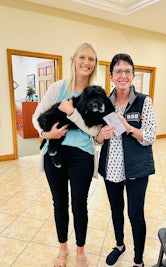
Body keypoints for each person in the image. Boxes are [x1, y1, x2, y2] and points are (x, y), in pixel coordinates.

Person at [32, 43, 101, 267]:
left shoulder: (95, 92)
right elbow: (37, 116)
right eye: (82, 57)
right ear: (73, 60)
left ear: (95, 64)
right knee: (59, 204)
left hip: (82, 156)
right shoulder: (57, 88)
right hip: (55, 154)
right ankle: (63, 249)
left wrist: (72, 113)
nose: (86, 62)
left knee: (79, 206)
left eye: (91, 59)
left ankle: (80, 251)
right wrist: (46, 133)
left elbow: (94, 130)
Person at [96, 53, 156, 267]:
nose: (123, 75)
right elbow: (97, 136)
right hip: (111, 169)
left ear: (133, 75)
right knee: (115, 210)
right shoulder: (104, 104)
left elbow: (150, 137)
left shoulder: (143, 101)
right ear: (111, 76)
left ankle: (138, 260)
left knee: (135, 214)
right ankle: (120, 245)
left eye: (127, 71)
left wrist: (129, 127)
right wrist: (100, 135)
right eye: (118, 71)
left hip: (136, 169)